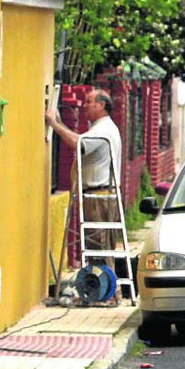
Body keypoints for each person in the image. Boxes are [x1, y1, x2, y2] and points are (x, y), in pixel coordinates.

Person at [46, 90, 127, 295]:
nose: (85, 105)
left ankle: (103, 293)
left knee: (98, 246)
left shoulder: (104, 130)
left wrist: (55, 125)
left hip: (98, 196)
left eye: (90, 101)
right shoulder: (100, 128)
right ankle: (104, 292)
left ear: (101, 105)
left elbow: (78, 144)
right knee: (98, 246)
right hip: (98, 194)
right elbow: (81, 139)